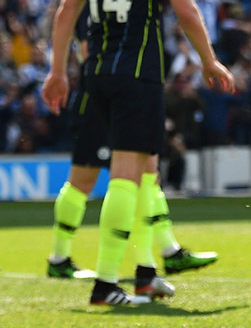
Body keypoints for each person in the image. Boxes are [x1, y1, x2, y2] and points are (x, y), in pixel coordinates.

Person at [42, 0, 234, 306]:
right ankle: (107, 285)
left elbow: (67, 11)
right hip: (138, 72)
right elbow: (186, 10)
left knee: (146, 172)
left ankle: (147, 272)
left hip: (95, 71)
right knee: (127, 176)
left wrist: (56, 71)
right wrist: (208, 60)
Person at [48, 70, 218, 283]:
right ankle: (63, 260)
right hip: (101, 97)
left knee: (148, 174)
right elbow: (87, 49)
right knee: (87, 180)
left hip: (127, 96)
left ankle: (163, 254)